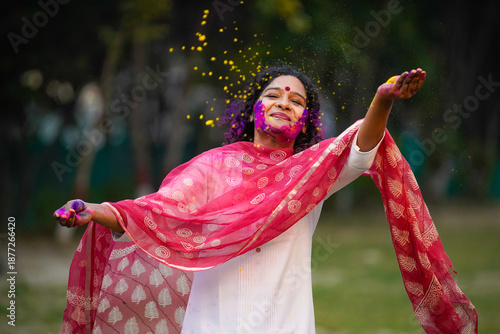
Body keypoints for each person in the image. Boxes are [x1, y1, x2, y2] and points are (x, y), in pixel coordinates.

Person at [54, 64, 477, 334]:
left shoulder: (308, 175)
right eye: (274, 94)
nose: (284, 103)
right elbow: (160, 212)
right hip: (212, 323)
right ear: (254, 107)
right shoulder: (213, 167)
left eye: (297, 101)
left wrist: (381, 100)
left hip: (286, 324)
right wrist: (97, 210)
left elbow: (362, 149)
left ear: (306, 121)